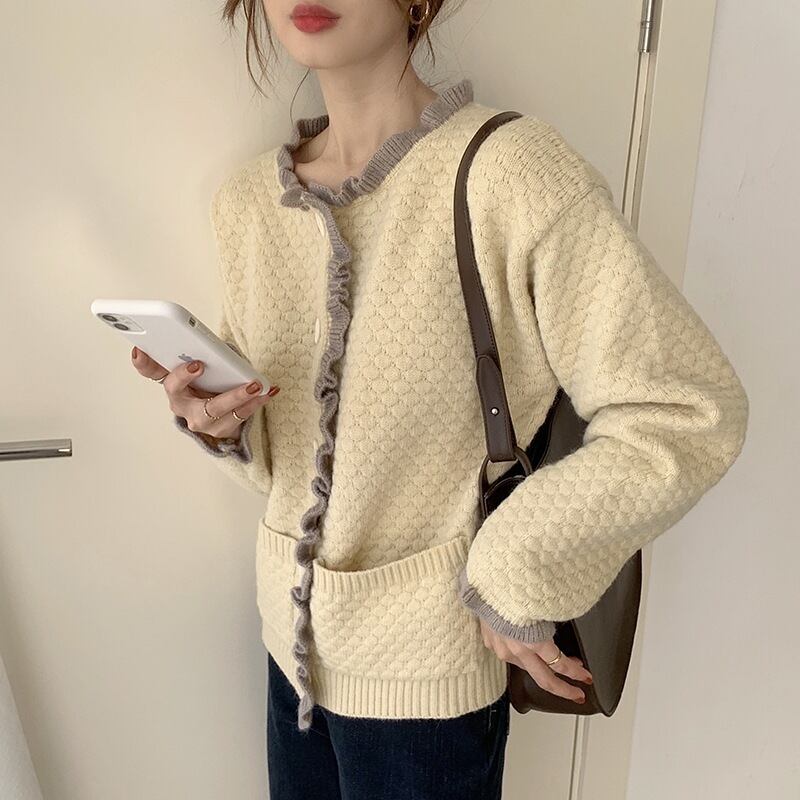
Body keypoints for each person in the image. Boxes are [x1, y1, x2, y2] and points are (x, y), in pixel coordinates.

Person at [130, 1, 750, 797]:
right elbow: (292, 467)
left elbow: (689, 410)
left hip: (428, 691)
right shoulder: (249, 203)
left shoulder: (513, 171)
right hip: (290, 661)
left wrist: (516, 570)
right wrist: (222, 428)